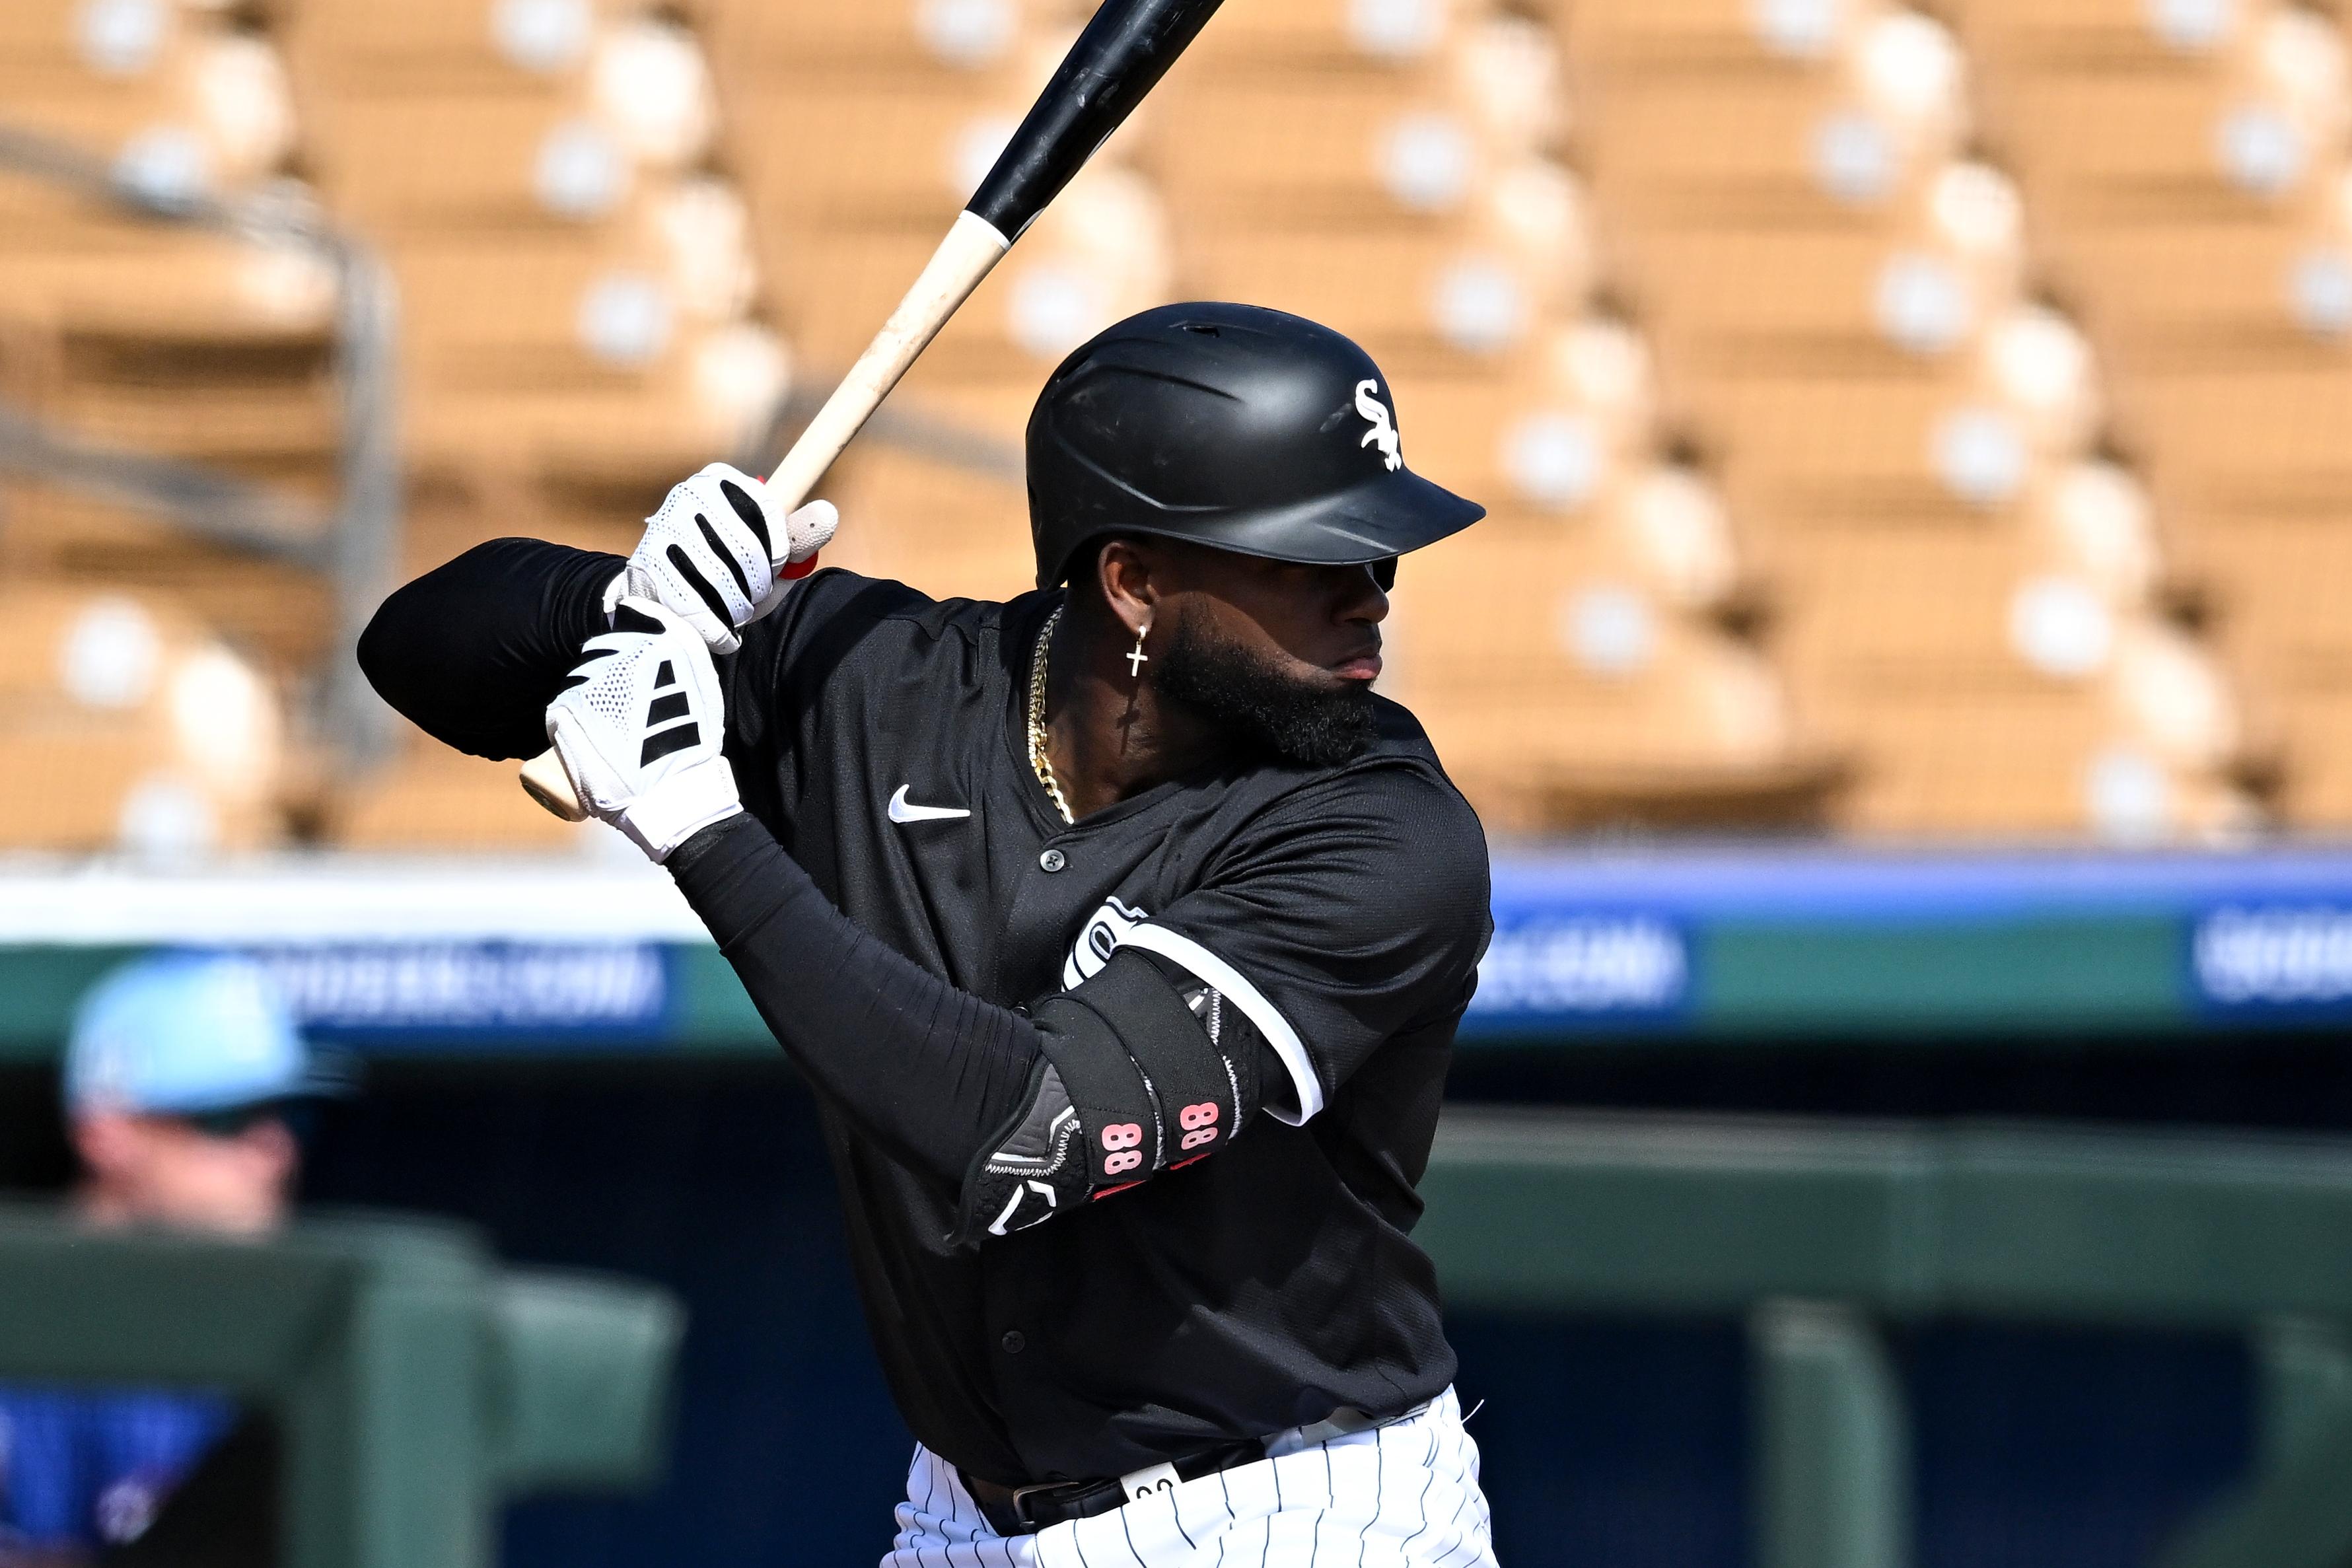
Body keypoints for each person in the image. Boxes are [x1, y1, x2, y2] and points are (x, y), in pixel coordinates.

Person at [361, 302, 1499, 1566]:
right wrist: (619, 595)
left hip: (1290, 1506)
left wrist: (701, 827)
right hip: (965, 1512)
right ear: (1133, 580)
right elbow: (416, 648)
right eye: (1313, 557)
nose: (1370, 597)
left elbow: (1025, 1135)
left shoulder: (1384, 831)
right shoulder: (884, 678)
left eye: (1381, 555)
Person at [0, 952, 339, 1565]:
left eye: (286, 1115)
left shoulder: (285, 1334)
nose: (275, 1149)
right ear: (107, 1133)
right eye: (228, 1118)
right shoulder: (20, 1330)